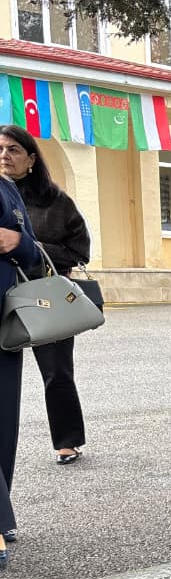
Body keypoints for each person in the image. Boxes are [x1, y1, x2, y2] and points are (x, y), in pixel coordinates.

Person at [0, 126, 92, 467]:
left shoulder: (57, 202)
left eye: (13, 150)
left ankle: (67, 442)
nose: (5, 156)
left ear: (31, 160)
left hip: (44, 296)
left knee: (57, 372)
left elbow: (79, 250)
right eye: (0, 150)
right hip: (3, 294)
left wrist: (32, 248)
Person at [0, 170, 41, 565]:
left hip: (4, 324)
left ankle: (3, 509)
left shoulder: (6, 188)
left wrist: (18, 242)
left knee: (4, 420)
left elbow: (33, 254)